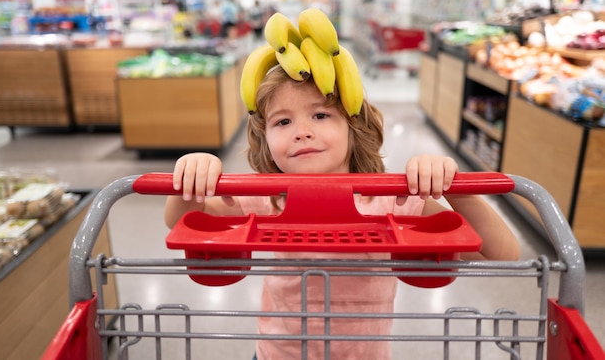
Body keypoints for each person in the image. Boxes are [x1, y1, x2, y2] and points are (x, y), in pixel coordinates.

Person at [164, 65, 521, 359]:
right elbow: (181, 221)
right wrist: (192, 172)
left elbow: (503, 254)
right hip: (276, 354)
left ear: (353, 128)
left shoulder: (392, 200)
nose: (302, 132)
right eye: (282, 122)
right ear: (265, 140)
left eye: (320, 115)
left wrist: (454, 187)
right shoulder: (267, 197)